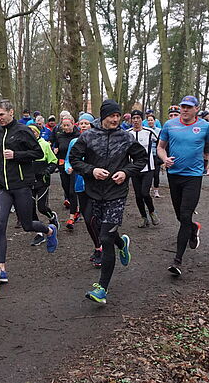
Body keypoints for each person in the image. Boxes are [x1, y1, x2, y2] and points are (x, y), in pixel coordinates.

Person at [70, 100, 147, 304]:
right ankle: (122, 243)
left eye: (118, 116)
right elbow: (74, 159)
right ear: (102, 116)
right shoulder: (88, 136)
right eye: (111, 116)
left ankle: (102, 289)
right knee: (100, 228)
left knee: (105, 238)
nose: (115, 119)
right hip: (94, 193)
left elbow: (141, 160)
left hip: (116, 193)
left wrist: (125, 172)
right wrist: (92, 171)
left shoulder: (126, 137)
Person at [0, 99, 58, 283]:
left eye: (2, 115)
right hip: (4, 187)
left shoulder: (23, 131)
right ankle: (2, 268)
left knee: (27, 225)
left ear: (11, 112)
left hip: (22, 186)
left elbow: (38, 153)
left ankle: (49, 230)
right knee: (0, 225)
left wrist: (16, 155)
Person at [157, 95, 209, 277]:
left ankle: (177, 260)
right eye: (183, 107)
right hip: (174, 175)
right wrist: (164, 158)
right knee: (181, 217)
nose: (185, 110)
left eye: (189, 107)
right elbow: (161, 147)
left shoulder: (205, 127)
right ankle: (193, 228)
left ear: (196, 109)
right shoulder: (170, 125)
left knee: (185, 214)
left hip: (193, 177)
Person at [65, 113, 103, 267]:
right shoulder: (74, 141)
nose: (83, 126)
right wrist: (68, 168)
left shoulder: (97, 141)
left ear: (92, 125)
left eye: (86, 123)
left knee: (97, 219)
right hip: (80, 185)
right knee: (88, 220)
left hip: (96, 185)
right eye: (81, 123)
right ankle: (98, 246)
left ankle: (104, 247)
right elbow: (68, 159)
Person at [28, 123, 60, 246]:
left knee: (42, 207)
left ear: (38, 132)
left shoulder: (45, 145)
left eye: (34, 131)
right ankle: (39, 233)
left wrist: (46, 171)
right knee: (30, 208)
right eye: (29, 131)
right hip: (28, 182)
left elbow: (54, 161)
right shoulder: (23, 145)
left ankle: (52, 217)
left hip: (42, 182)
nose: (32, 133)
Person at [128, 110, 160, 228]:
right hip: (134, 168)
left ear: (142, 120)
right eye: (134, 118)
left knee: (145, 193)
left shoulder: (149, 132)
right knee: (138, 195)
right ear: (131, 120)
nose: (136, 120)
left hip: (148, 167)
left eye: (138, 118)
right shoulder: (127, 133)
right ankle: (143, 217)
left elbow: (161, 143)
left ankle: (152, 211)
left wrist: (161, 158)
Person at [51, 116, 80, 228]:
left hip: (74, 166)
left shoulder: (78, 136)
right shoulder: (60, 135)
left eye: (68, 125)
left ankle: (72, 215)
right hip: (63, 164)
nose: (66, 128)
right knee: (66, 187)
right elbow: (57, 147)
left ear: (73, 124)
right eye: (64, 125)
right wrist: (56, 150)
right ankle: (75, 207)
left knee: (73, 191)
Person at [146, 114, 163, 198]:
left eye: (151, 120)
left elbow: (162, 143)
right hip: (147, 155)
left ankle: (156, 191)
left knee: (156, 173)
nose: (150, 122)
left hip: (156, 154)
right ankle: (147, 189)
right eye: (148, 120)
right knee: (148, 173)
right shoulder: (145, 130)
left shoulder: (159, 130)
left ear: (155, 121)